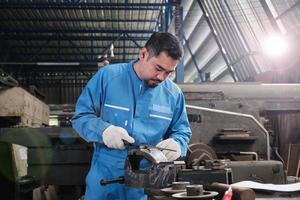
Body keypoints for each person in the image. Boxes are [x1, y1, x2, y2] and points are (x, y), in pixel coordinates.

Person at [71, 32, 192, 200]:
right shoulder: (107, 77)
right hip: (105, 182)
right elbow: (81, 117)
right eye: (158, 69)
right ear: (143, 54)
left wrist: (177, 144)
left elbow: (182, 131)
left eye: (169, 73)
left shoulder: (174, 94)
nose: (161, 78)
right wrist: (104, 131)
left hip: (146, 187)